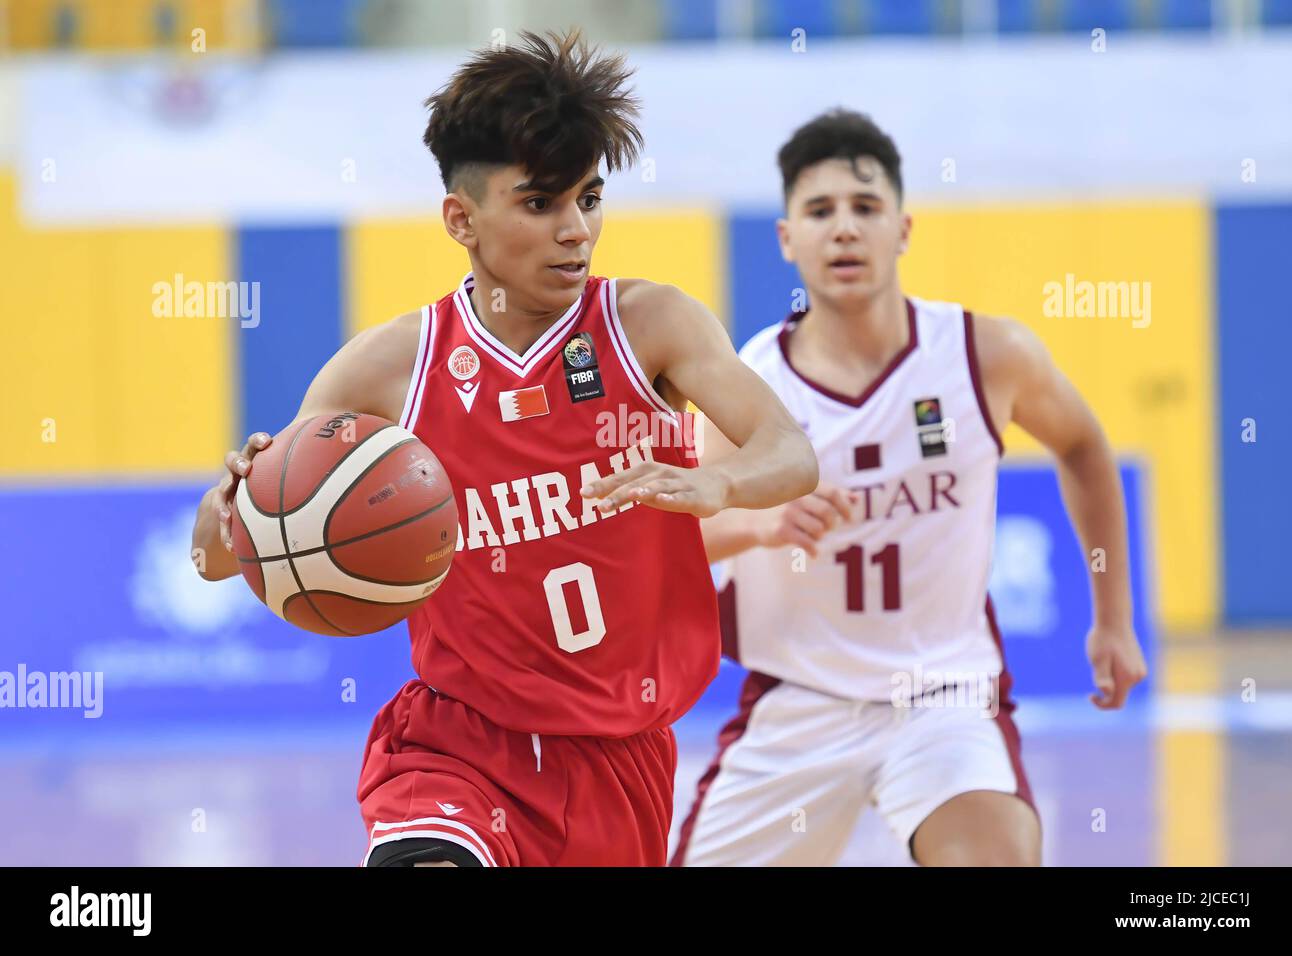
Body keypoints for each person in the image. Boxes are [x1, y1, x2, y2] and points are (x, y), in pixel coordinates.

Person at [190, 31, 817, 867]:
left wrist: (722, 483)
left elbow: (791, 452)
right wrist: (234, 503)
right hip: (456, 745)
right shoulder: (387, 370)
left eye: (589, 199)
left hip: (620, 757)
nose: (575, 231)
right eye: (539, 203)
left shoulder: (651, 325)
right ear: (461, 218)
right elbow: (220, 560)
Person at [673, 109, 1147, 867]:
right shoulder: (747, 383)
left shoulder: (985, 354)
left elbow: (1085, 445)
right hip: (797, 701)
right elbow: (681, 537)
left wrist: (1113, 620)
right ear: (787, 238)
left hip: (945, 698)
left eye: (866, 209)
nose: (845, 230)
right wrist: (764, 521)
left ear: (904, 228)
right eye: (820, 211)